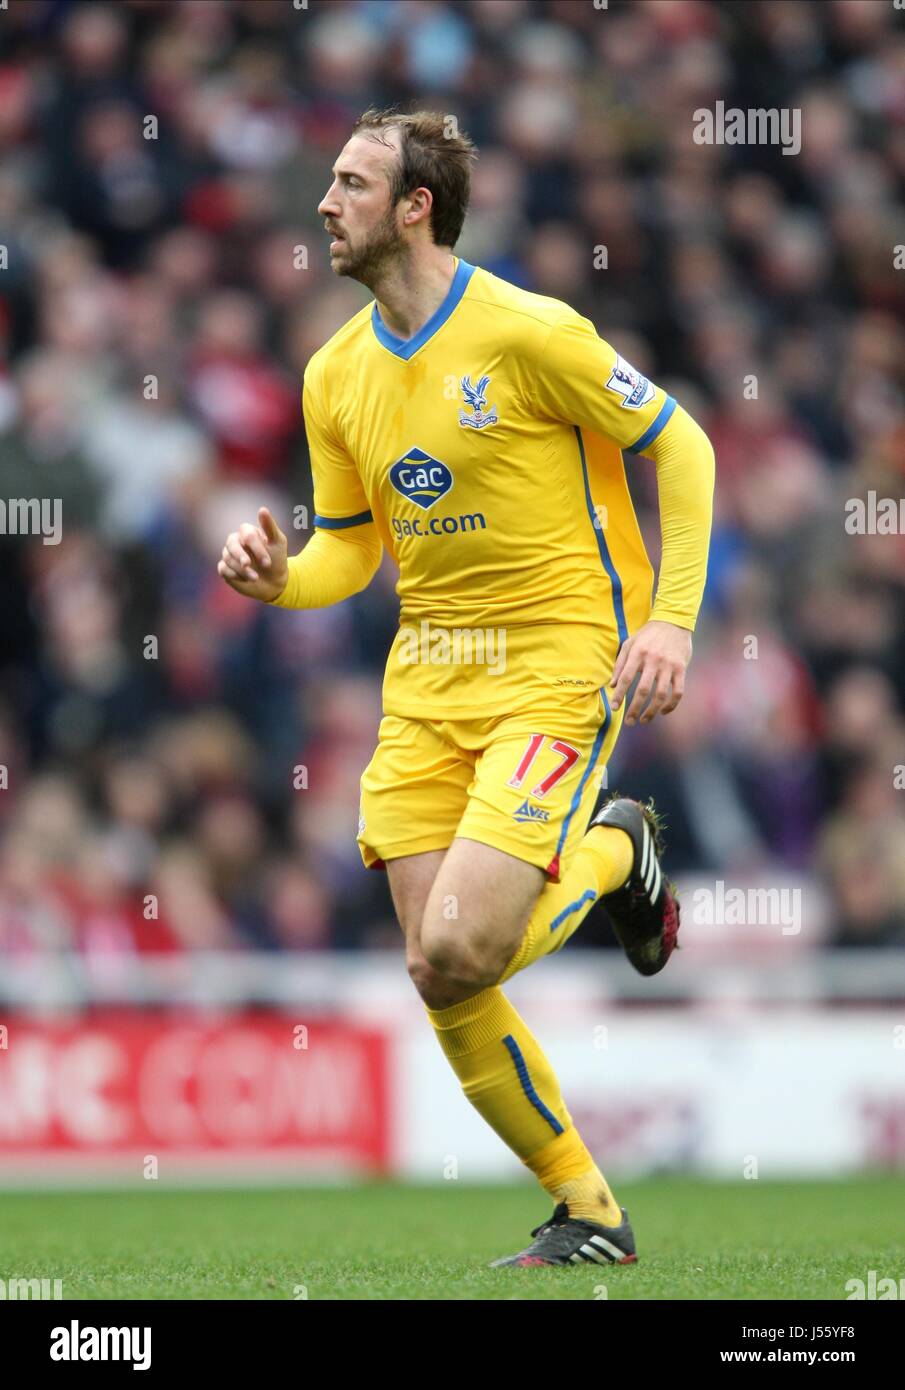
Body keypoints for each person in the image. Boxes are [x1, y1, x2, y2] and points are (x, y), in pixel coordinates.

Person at [218, 109, 714, 1268]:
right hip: (425, 682)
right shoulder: (332, 374)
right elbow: (349, 545)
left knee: (462, 947)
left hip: (554, 663)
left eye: (349, 183)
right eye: (328, 179)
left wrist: (673, 623)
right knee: (438, 971)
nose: (323, 202)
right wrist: (284, 577)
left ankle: (614, 853)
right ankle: (590, 1211)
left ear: (413, 207)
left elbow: (680, 445)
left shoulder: (529, 331)